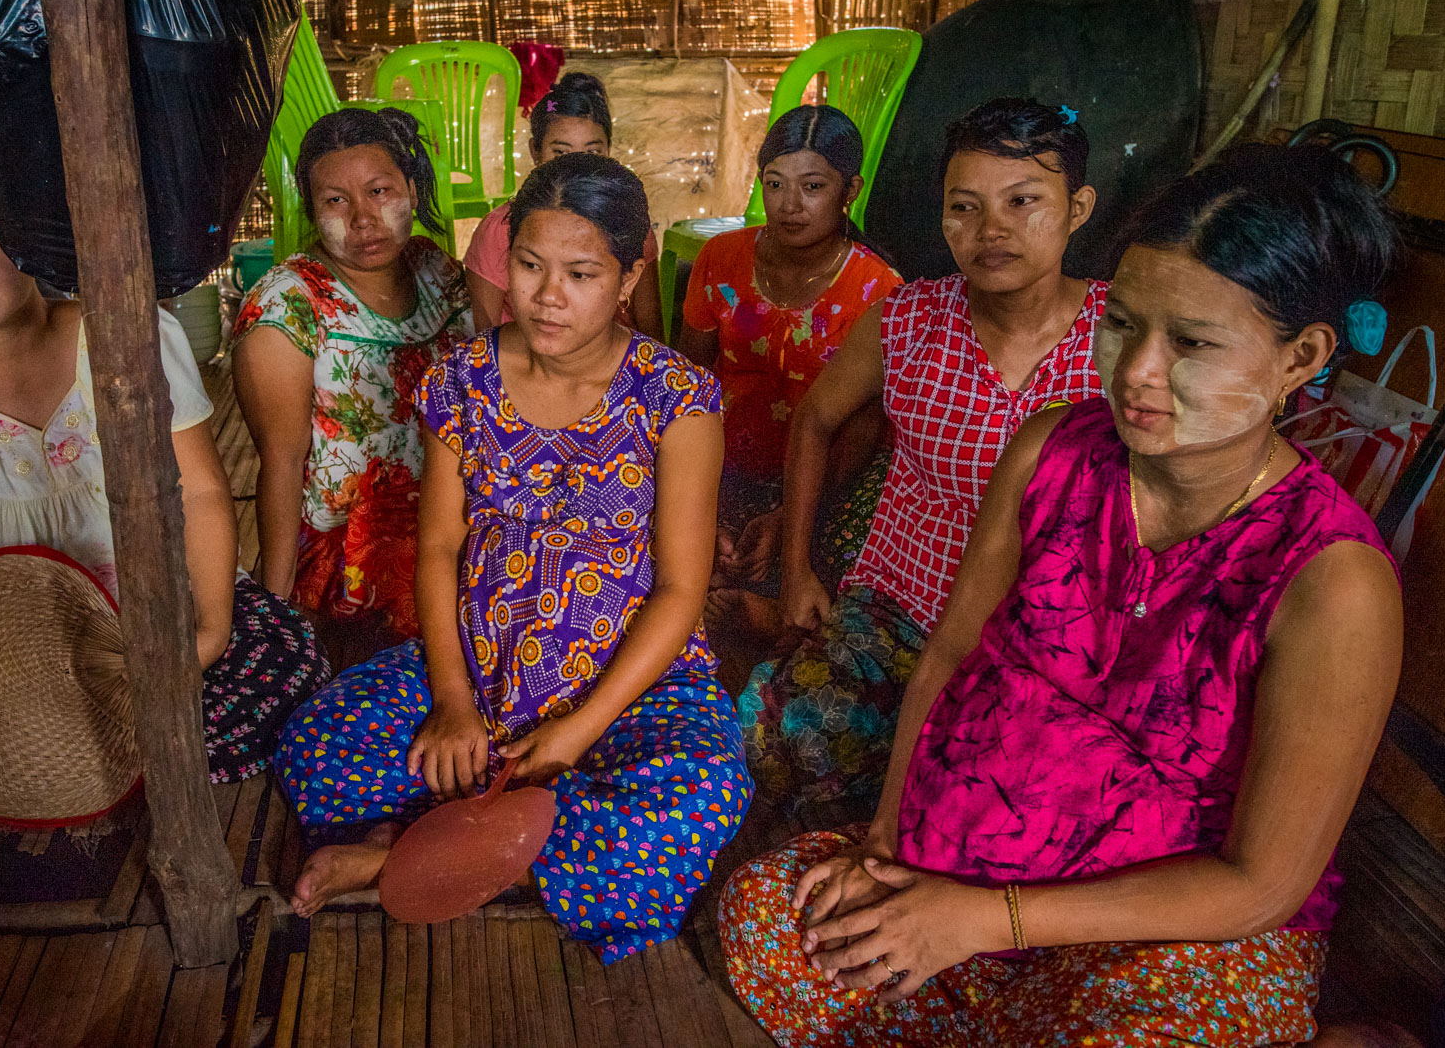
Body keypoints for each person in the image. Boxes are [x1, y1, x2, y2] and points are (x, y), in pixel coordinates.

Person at [717, 143, 1403, 1046]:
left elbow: (1261, 884)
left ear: (1299, 358)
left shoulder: (1331, 580)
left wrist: (980, 919)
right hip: (956, 863)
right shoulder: (1054, 451)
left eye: (1190, 342)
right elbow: (952, 654)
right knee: (770, 919)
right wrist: (886, 841)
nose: (1137, 372)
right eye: (1121, 325)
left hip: (1154, 935)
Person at [275, 152, 751, 962]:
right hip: (481, 665)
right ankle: (528, 835)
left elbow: (679, 590)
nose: (547, 295)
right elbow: (440, 546)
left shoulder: (676, 399)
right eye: (529, 266)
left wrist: (578, 729)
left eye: (580, 272)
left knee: (704, 791)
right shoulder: (462, 379)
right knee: (316, 750)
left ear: (631, 275)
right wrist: (455, 702)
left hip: (630, 685)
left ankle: (414, 850)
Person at [0, 111, 327, 783]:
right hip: (5, 648)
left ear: (31, 236)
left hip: (154, 621)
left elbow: (201, 492)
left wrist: (203, 635)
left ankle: (80, 755)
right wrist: (21, 664)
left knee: (284, 665)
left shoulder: (129, 339)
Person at [739, 97, 1103, 808]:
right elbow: (814, 419)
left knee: (1013, 784)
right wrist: (798, 570)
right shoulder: (909, 319)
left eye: (1022, 201)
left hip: (1042, 643)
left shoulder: (1121, 337)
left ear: (1078, 207)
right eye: (964, 206)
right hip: (894, 618)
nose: (990, 229)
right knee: (771, 733)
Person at [233, 108, 473, 665]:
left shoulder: (435, 271)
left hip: (451, 529)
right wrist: (279, 615)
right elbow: (283, 463)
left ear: (411, 189)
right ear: (313, 211)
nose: (364, 219)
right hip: (350, 566)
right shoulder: (288, 304)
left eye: (380, 190)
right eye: (336, 201)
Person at [675, 105, 903, 642]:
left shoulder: (877, 290)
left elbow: (865, 428)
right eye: (775, 184)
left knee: (849, 568)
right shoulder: (721, 259)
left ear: (850, 190)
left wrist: (786, 516)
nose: (790, 205)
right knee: (680, 544)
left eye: (813, 186)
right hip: (722, 466)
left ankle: (771, 612)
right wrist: (698, 496)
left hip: (828, 477)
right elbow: (685, 383)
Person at [462, 72, 664, 338]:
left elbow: (651, 329)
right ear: (535, 151)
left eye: (592, 152)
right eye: (560, 153)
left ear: (609, 151)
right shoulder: (500, 230)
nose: (576, 166)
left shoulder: (630, 225)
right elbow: (485, 342)